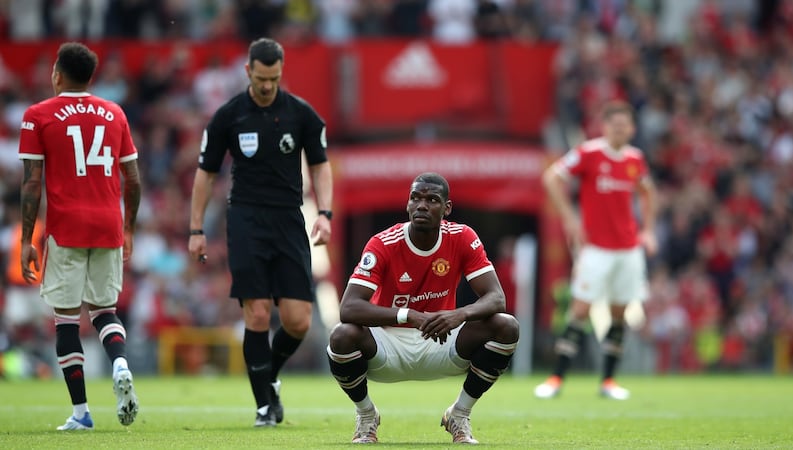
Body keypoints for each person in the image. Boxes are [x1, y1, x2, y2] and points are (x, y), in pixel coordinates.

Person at [187, 37, 333, 428]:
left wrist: (325, 211)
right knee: (256, 313)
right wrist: (196, 228)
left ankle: (269, 374)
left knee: (298, 319)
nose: (268, 85)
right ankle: (264, 406)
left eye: (274, 77)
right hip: (247, 219)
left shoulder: (301, 114)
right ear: (248, 71)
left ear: (280, 73)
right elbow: (206, 174)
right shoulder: (228, 116)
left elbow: (320, 164)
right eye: (262, 77)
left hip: (289, 218)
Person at [327, 172, 519, 444]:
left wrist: (459, 314)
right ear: (407, 204)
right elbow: (348, 307)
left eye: (431, 200)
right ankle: (367, 415)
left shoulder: (462, 237)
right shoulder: (383, 243)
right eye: (415, 198)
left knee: (506, 325)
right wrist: (410, 316)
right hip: (388, 345)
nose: (421, 205)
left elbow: (496, 298)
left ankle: (460, 414)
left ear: (446, 208)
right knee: (341, 335)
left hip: (442, 341)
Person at [17, 42, 141, 429]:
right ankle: (120, 362)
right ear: (91, 76)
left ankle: (81, 414)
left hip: (67, 228)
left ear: (57, 73)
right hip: (108, 225)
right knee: (106, 311)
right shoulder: (114, 112)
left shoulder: (38, 115)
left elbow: (31, 184)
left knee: (67, 321)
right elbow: (133, 179)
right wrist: (130, 228)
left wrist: (26, 240)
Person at [534, 100, 658, 400]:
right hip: (596, 249)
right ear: (605, 127)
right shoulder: (589, 153)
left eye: (624, 125)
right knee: (579, 310)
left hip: (628, 249)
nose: (619, 129)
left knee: (619, 313)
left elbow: (648, 191)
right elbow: (552, 177)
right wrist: (570, 218)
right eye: (614, 124)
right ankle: (556, 378)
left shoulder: (634, 159)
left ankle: (608, 382)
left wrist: (649, 231)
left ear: (631, 128)